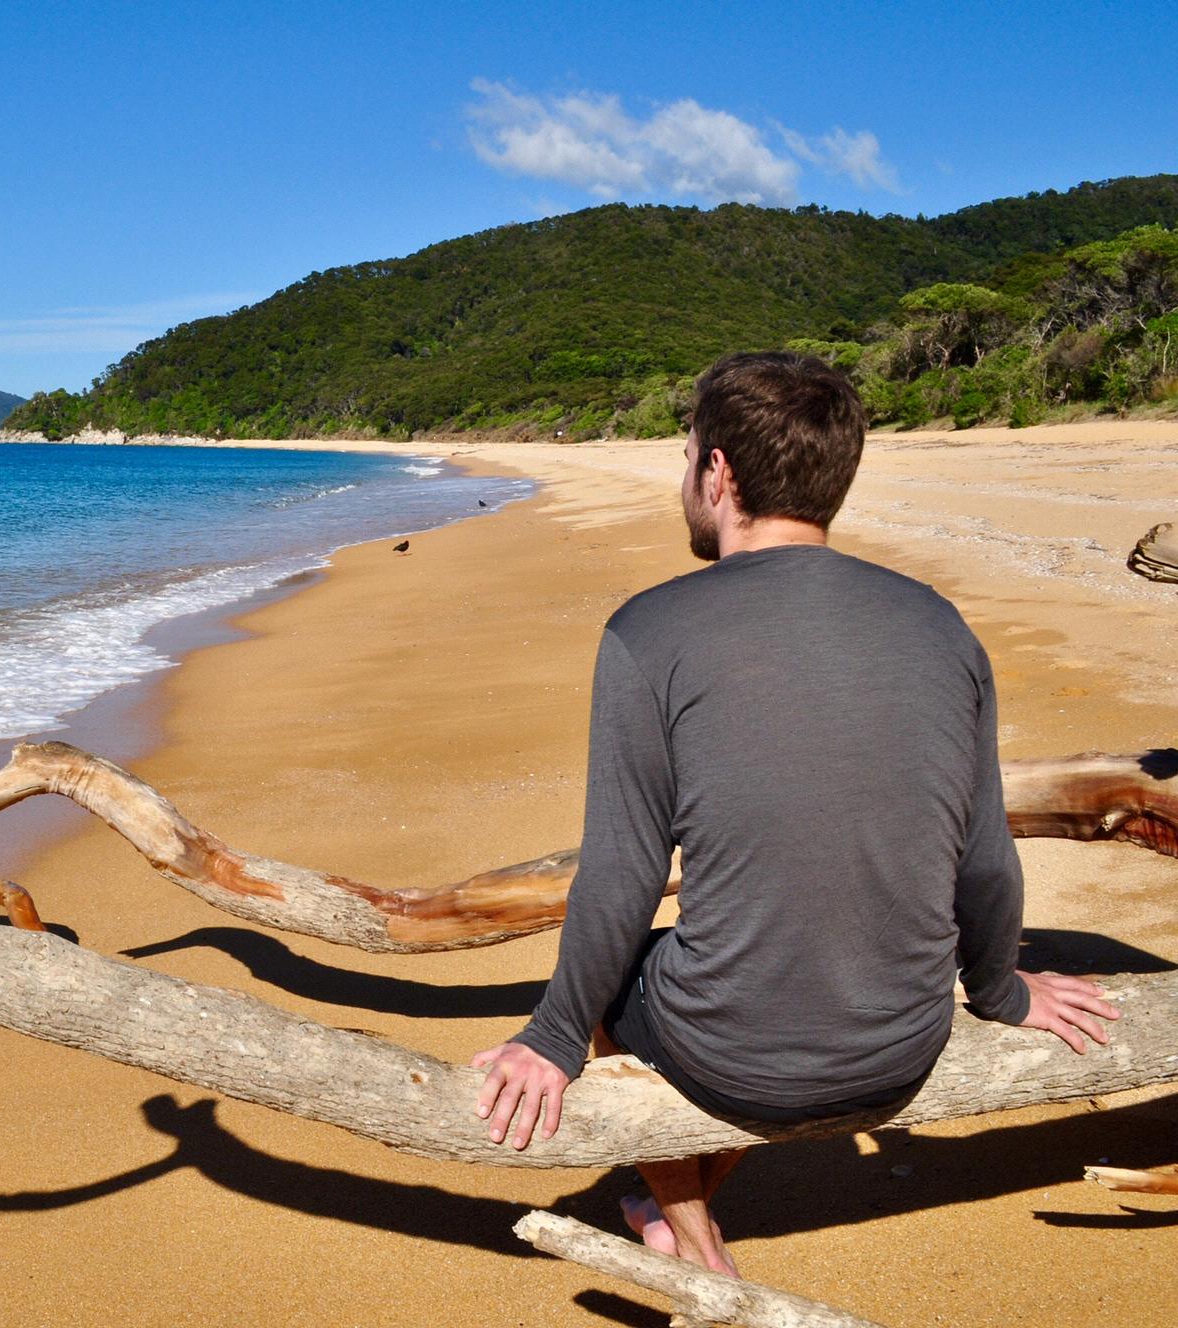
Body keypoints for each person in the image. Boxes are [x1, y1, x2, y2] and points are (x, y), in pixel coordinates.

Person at [470, 351, 1120, 1276]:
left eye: (687, 452)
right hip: (905, 1051)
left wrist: (552, 1037)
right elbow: (983, 860)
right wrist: (1004, 993)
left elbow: (621, 876)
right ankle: (656, 1210)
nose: (683, 474)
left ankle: (695, 1244)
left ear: (720, 471)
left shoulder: (648, 633)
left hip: (738, 1069)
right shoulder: (940, 624)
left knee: (621, 987)